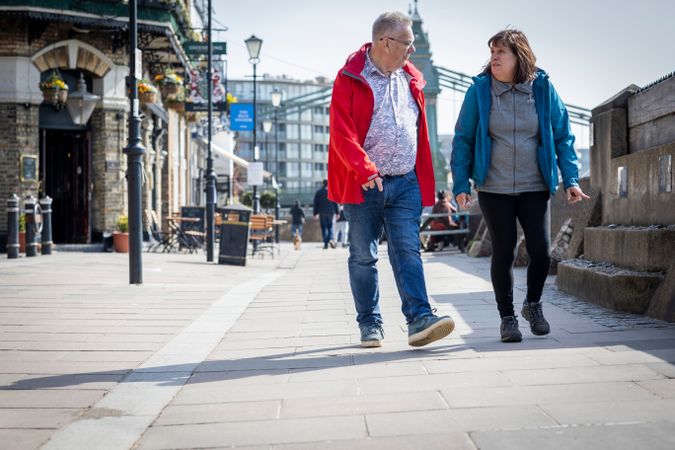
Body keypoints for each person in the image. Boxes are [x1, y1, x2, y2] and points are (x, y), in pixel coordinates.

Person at [451, 29, 590, 343]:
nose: (494, 58)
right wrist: (461, 183)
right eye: (492, 52)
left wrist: (570, 178)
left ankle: (533, 305)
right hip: (493, 187)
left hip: (534, 184)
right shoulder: (480, 91)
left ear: (519, 57)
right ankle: (507, 318)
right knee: (504, 249)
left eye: (501, 52)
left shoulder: (542, 89)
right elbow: (463, 139)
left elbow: (563, 136)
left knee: (540, 251)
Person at [328, 11, 455, 348]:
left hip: (406, 181)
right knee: (363, 255)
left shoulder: (411, 77)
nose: (412, 52)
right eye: (408, 44)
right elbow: (341, 134)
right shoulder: (350, 77)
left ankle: (419, 319)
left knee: (407, 251)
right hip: (365, 182)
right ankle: (370, 323)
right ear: (386, 42)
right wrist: (365, 169)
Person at [313, 179, 338, 249]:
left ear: (323, 184)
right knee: (330, 226)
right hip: (331, 211)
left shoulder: (319, 192)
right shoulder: (332, 191)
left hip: (322, 212)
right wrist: (337, 212)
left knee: (324, 227)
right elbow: (335, 202)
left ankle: (326, 244)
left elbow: (316, 203)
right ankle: (330, 239)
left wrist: (315, 213)